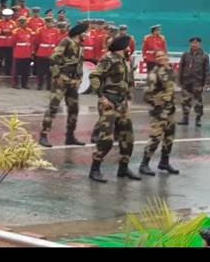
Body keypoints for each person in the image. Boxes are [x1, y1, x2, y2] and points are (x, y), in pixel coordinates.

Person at [88, 36, 140, 183]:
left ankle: (123, 168)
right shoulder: (108, 59)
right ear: (121, 48)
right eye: (127, 47)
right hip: (109, 102)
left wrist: (129, 100)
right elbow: (94, 76)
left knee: (127, 138)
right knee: (107, 139)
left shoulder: (125, 61)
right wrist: (101, 97)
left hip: (122, 104)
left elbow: (129, 82)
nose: (129, 49)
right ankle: (95, 169)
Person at [39, 23, 88, 148]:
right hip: (61, 80)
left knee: (74, 109)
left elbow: (79, 65)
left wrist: (80, 79)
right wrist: (57, 75)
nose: (87, 35)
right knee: (53, 107)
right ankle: (43, 135)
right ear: (79, 33)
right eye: (85, 33)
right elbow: (54, 57)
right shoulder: (66, 42)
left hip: (73, 82)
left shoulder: (80, 46)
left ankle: (70, 136)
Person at [139, 51, 180, 177]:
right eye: (158, 57)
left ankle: (164, 162)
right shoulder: (154, 73)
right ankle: (144, 164)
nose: (161, 58)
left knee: (169, 138)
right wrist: (156, 104)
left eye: (163, 56)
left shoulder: (171, 71)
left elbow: (173, 89)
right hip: (159, 112)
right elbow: (146, 95)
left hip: (170, 110)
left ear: (167, 57)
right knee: (155, 138)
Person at [178, 36, 210, 127]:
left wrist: (207, 82)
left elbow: (207, 70)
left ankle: (198, 119)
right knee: (185, 101)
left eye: (196, 43)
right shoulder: (185, 55)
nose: (194, 44)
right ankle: (185, 118)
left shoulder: (204, 56)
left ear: (200, 44)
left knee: (198, 102)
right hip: (186, 82)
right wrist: (179, 81)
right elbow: (180, 68)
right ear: (190, 44)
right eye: (193, 43)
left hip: (198, 82)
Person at [34, 18, 60, 91]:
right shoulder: (40, 30)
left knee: (50, 71)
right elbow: (37, 41)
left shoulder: (56, 31)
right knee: (40, 71)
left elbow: (57, 42)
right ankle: (40, 85)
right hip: (42, 53)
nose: (51, 24)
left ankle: (49, 86)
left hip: (52, 53)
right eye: (49, 23)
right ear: (46, 23)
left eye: (52, 23)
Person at [11, 17, 34, 90]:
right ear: (19, 23)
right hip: (18, 53)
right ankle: (15, 84)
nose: (23, 23)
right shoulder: (15, 31)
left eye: (24, 22)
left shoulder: (29, 31)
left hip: (27, 53)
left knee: (26, 70)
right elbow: (12, 43)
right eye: (21, 22)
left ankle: (25, 84)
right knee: (16, 70)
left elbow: (32, 42)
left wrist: (31, 52)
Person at [0, 8, 16, 74]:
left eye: (9, 16)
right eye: (5, 16)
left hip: (9, 44)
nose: (7, 17)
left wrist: (10, 31)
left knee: (9, 59)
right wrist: (2, 31)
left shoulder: (13, 23)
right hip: (1, 44)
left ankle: (8, 72)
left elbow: (15, 31)